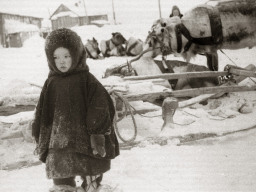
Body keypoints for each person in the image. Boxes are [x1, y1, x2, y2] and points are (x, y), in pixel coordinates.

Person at [31, 28, 119, 192]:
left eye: (66, 56)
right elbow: (43, 111)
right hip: (59, 143)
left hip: (86, 142)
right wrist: (38, 130)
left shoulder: (86, 80)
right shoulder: (51, 83)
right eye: (56, 57)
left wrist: (97, 132)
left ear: (76, 55)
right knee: (61, 177)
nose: (61, 61)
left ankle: (92, 186)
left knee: (92, 174)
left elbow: (100, 105)